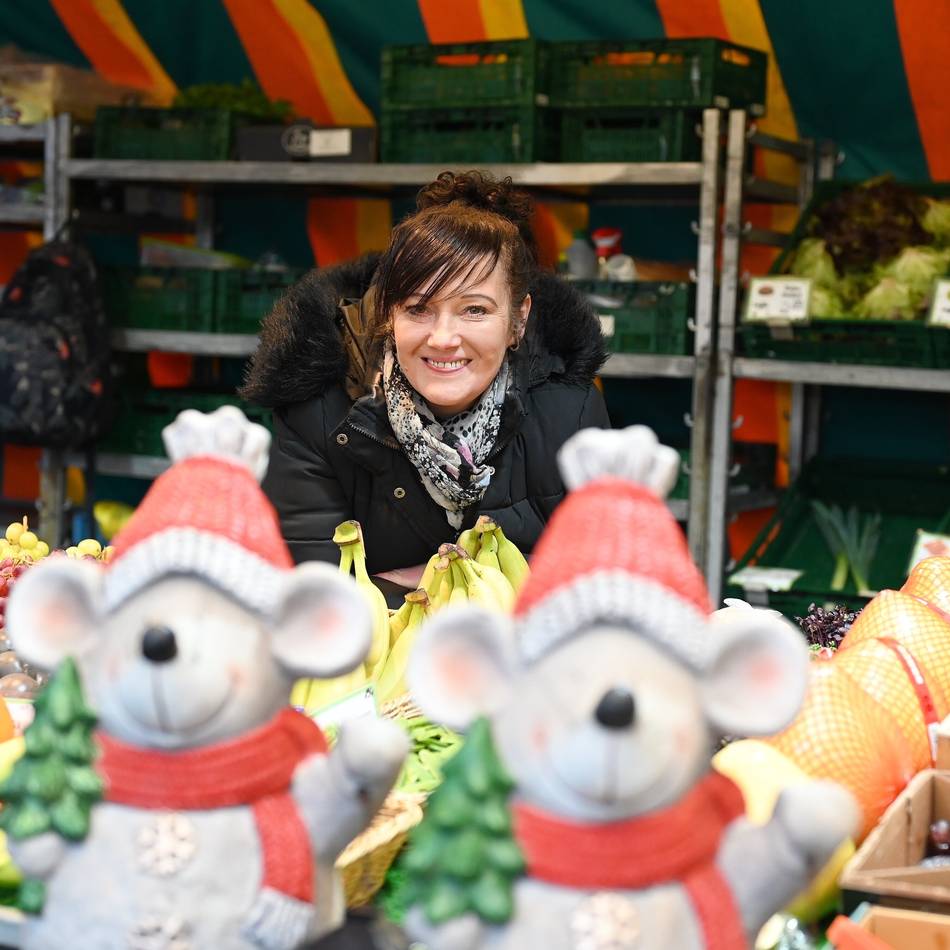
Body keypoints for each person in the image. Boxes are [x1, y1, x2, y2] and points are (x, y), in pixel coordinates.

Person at [241, 170, 610, 592]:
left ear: (517, 321)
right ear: (388, 315)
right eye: (418, 309)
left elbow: (597, 586)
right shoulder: (319, 411)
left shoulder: (569, 412)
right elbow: (310, 596)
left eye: (474, 310)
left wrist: (425, 580)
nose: (443, 339)